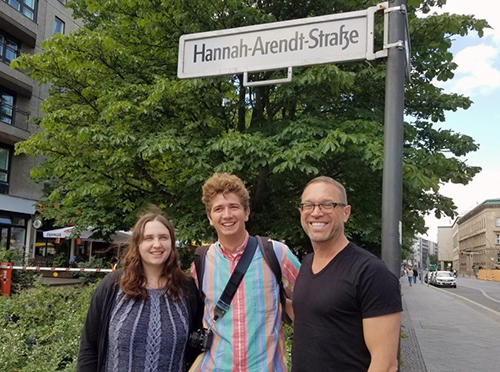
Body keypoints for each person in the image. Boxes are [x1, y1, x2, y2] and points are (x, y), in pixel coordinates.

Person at [190, 172, 301, 372]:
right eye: (218, 209)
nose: (227, 215)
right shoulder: (201, 262)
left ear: (247, 212)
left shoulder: (276, 254)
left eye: (234, 207)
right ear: (209, 218)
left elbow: (313, 303)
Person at [291, 176, 402, 372]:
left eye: (327, 204)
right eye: (308, 205)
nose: (316, 213)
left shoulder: (371, 273)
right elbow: (314, 320)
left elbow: (386, 365)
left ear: (345, 212)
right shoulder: (307, 263)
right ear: (301, 212)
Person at [77, 209, 202, 372]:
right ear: (137, 244)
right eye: (148, 238)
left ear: (171, 243)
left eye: (163, 237)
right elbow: (89, 348)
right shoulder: (112, 286)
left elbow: (198, 352)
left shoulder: (187, 289)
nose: (157, 244)